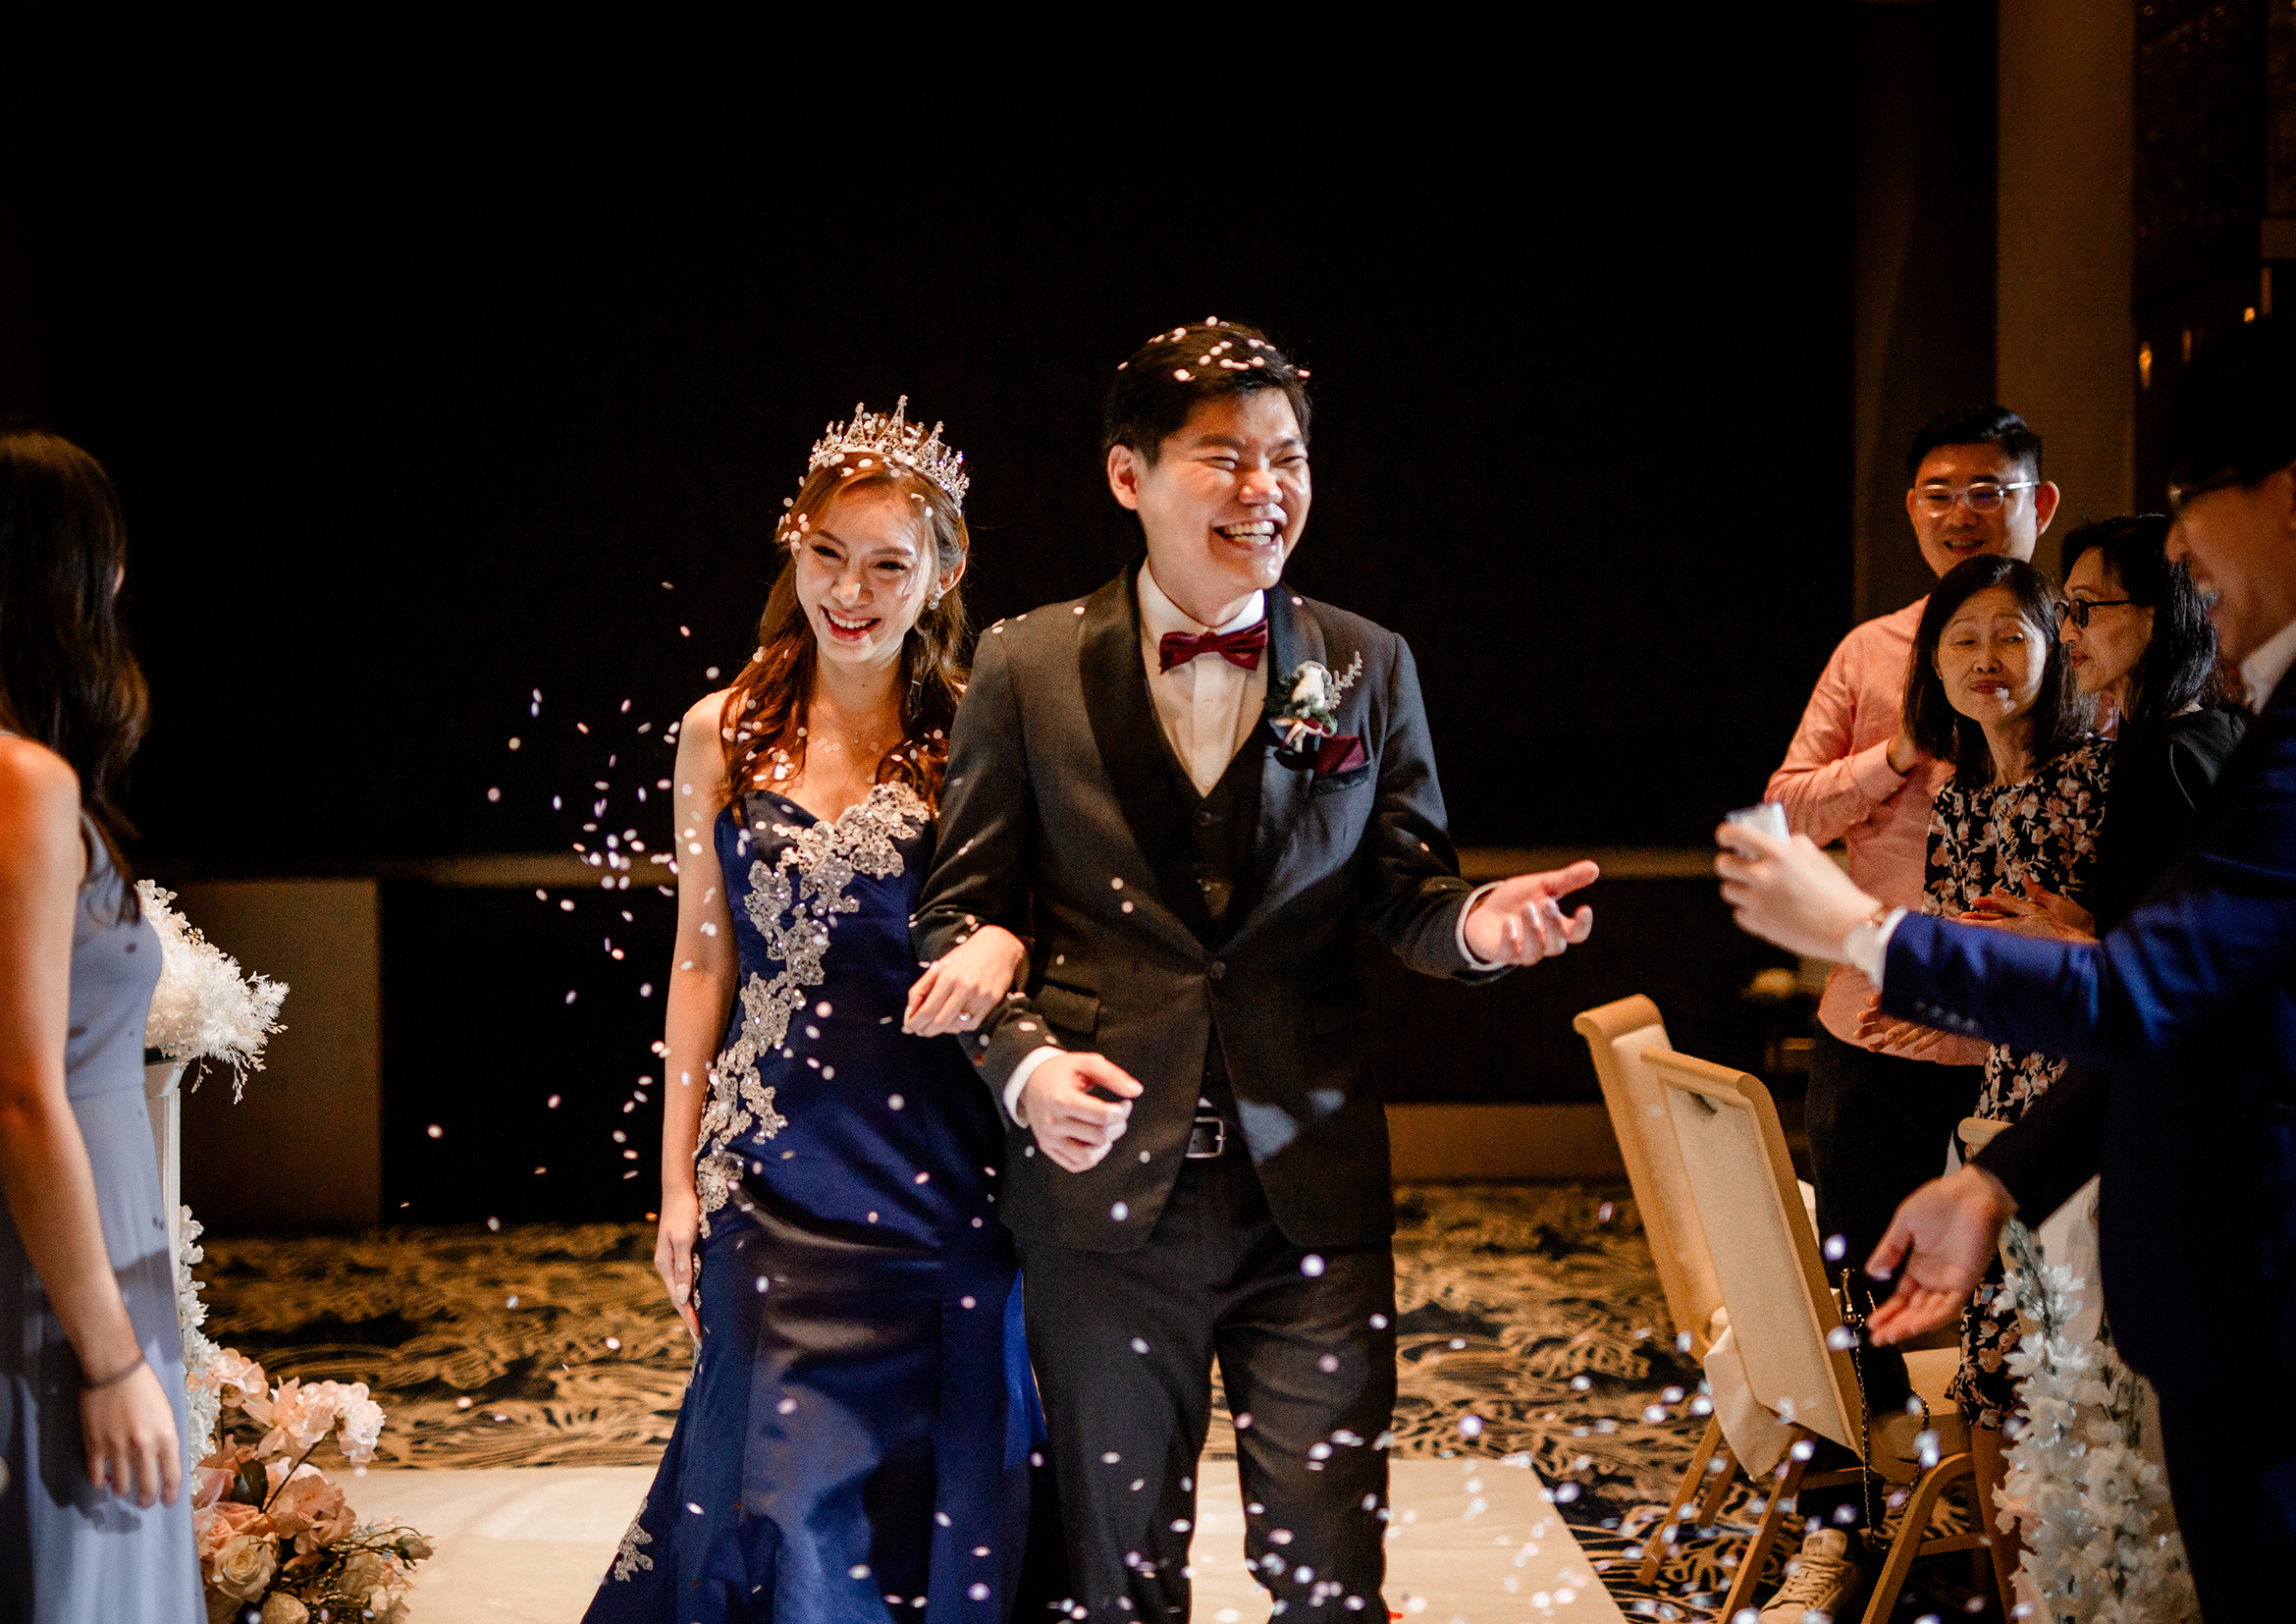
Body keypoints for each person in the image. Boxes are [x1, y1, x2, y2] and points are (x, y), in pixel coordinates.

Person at [911, 320, 1599, 1621]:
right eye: (1223, 457)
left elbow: (1406, 892)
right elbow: (956, 916)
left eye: (1285, 457)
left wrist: (1475, 928)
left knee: (1330, 1579)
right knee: (1117, 1579)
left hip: (1310, 1191)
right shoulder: (1023, 663)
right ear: (1128, 475)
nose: (1263, 487)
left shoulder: (1362, 662)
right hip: (1102, 1202)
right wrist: (1025, 1071)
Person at [1714, 317, 2296, 1616]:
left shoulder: (2154, 743)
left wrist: (1862, 931)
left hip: (2227, 1243)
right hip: (1995, 1105)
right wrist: (1993, 1180)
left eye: (2188, 502)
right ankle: (1872, 1528)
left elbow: (2138, 992)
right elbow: (2170, 1009)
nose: (2178, 549)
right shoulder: (1878, 660)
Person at [586, 403, 1052, 1622]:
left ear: (941, 573)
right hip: (773, 1173)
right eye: (827, 554)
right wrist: (675, 1180)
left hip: (943, 1174)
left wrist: (1002, 943)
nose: (850, 591)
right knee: (777, 1505)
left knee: (944, 1493)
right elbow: (701, 963)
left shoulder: (981, 729)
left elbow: (1034, 918)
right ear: (791, 547)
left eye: (887, 564)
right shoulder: (723, 729)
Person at [1756, 406, 2056, 1615]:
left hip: (2031, 1042)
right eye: (1937, 492)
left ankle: (2027, 1540)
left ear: (2036, 503)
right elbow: (1780, 815)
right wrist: (1890, 758)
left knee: (2027, 1305)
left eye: (1987, 489)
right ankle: (1837, 1528)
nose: (1960, 513)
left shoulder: (2075, 646)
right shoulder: (1869, 652)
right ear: (1909, 511)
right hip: (1875, 1029)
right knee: (1853, 1293)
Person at [0, 430, 199, 1620]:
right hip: (57, 1276)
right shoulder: (24, 785)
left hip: (82, 1252)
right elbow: (24, 1091)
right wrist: (112, 1354)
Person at [2057, 514, 2248, 932]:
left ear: (2159, 616)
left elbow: (2177, 953)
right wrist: (2086, 926)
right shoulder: (2219, 727)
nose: (2067, 633)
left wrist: (2062, 940)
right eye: (2066, 610)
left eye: (2083, 608)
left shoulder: (2162, 760)